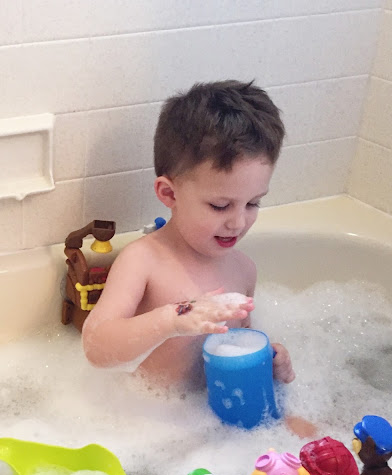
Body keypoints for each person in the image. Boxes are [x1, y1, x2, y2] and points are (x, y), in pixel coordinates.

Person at [82, 79, 295, 393]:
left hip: (218, 407)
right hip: (151, 411)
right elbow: (96, 347)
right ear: (169, 194)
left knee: (306, 422)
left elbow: (242, 340)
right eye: (220, 206)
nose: (238, 222)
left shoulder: (243, 269)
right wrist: (171, 320)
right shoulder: (143, 261)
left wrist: (270, 361)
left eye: (253, 203)